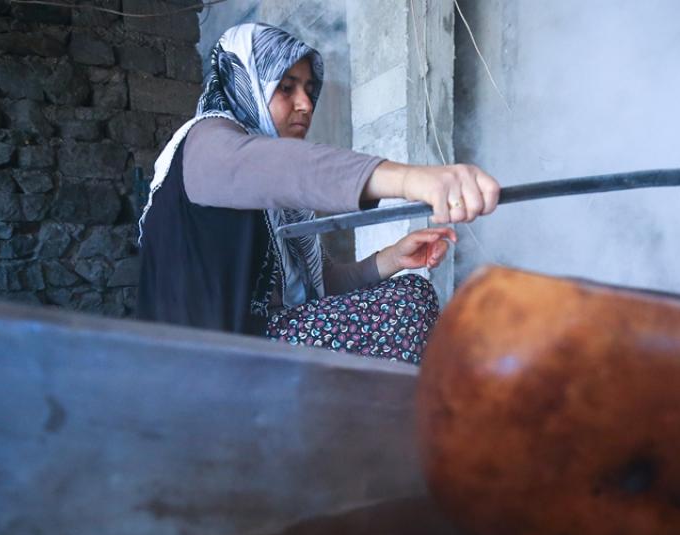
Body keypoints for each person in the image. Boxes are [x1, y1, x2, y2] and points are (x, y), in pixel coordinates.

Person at [136, 23, 500, 364]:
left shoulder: (270, 189)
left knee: (412, 288)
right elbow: (289, 168)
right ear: (245, 81)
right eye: (286, 87)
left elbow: (323, 284)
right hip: (206, 362)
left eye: (310, 90)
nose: (306, 104)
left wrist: (392, 258)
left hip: (256, 346)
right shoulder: (206, 144)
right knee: (406, 305)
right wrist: (411, 180)